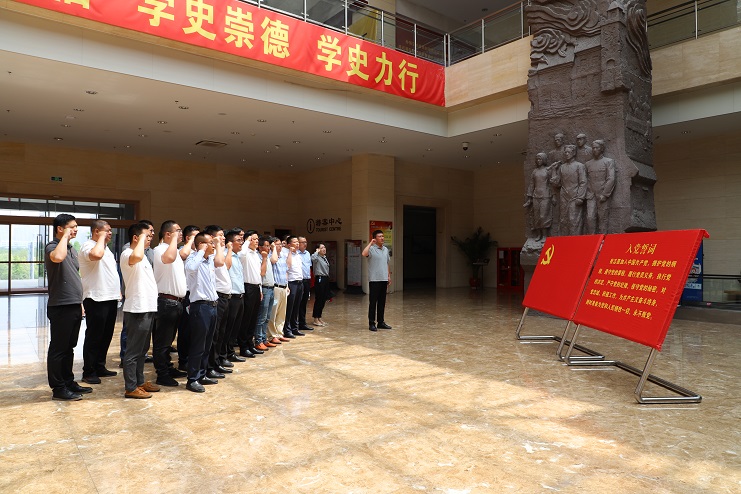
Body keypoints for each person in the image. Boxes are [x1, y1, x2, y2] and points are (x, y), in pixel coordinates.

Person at [45, 213, 92, 401]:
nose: (76, 229)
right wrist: (64, 236)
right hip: (61, 305)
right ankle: (58, 388)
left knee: (69, 347)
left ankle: (68, 381)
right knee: (59, 348)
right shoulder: (52, 246)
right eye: (72, 227)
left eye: (76, 226)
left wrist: (79, 303)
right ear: (60, 228)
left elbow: (73, 277)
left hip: (73, 304)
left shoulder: (71, 249)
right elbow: (57, 257)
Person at [119, 222, 160, 399]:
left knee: (143, 350)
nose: (150, 239)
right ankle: (130, 387)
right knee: (133, 351)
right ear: (136, 238)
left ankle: (139, 382)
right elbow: (135, 256)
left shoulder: (142, 256)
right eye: (146, 236)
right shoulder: (128, 253)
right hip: (137, 309)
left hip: (148, 307)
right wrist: (142, 239)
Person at [79, 219, 121, 385]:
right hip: (96, 298)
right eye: (107, 230)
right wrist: (101, 238)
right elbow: (96, 255)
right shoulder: (88, 246)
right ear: (96, 231)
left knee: (106, 335)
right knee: (94, 336)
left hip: (110, 297)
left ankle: (99, 366)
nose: (110, 233)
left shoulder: (106, 248)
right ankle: (88, 371)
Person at [184, 232, 224, 392]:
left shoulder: (209, 261)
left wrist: (214, 247)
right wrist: (200, 250)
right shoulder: (193, 259)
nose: (213, 245)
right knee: (198, 345)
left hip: (212, 305)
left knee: (207, 344)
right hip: (200, 307)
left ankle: (202, 374)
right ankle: (192, 379)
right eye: (210, 243)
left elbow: (220, 262)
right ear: (202, 244)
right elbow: (191, 268)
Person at [152, 220, 188, 387]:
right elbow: (169, 258)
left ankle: (167, 367)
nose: (180, 234)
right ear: (167, 234)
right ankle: (162, 374)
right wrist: (174, 239)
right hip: (166, 301)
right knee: (162, 342)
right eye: (177, 231)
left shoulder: (174, 250)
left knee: (169, 341)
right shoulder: (160, 249)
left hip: (176, 302)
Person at [549, 144, 587, 236]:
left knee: (574, 220)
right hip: (564, 196)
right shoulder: (562, 167)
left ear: (573, 153)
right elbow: (557, 183)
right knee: (563, 220)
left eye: (568, 152)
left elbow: (583, 182)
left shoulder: (579, 166)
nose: (566, 154)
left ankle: (575, 240)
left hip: (575, 196)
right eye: (565, 152)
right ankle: (564, 240)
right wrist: (554, 170)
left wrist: (580, 197)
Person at [238, 230, 263, 356]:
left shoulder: (256, 254)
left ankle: (250, 344)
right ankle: (243, 347)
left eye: (257, 239)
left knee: (253, 318)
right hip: (248, 288)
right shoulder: (245, 253)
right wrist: (247, 241)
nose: (257, 241)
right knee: (246, 319)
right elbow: (241, 253)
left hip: (256, 287)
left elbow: (258, 274)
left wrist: (261, 290)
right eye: (254, 239)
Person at [585, 139, 616, 234]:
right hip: (591, 195)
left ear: (601, 149)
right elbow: (585, 180)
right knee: (590, 217)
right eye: (593, 148)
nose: (594, 150)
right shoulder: (587, 164)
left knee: (603, 218)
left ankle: (602, 238)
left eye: (597, 148)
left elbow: (611, 178)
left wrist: (605, 194)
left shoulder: (608, 161)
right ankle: (592, 239)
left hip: (602, 194)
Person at [362, 230, 391, 332]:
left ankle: (381, 322)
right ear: (375, 238)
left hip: (384, 279)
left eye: (383, 236)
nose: (382, 238)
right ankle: (371, 323)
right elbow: (363, 253)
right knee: (373, 302)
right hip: (374, 279)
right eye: (380, 236)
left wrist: (388, 276)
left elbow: (387, 263)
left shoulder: (386, 249)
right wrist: (370, 243)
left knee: (382, 302)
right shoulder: (371, 249)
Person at [523, 152, 555, 241]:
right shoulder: (535, 171)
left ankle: (544, 235)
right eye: (537, 159)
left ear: (543, 160)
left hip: (545, 196)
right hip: (536, 196)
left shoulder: (548, 170)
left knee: (543, 216)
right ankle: (538, 234)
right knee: (536, 216)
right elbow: (531, 185)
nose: (538, 161)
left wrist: (554, 196)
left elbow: (552, 184)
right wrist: (529, 198)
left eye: (540, 159)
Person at [255, 235, 276, 350]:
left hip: (271, 288)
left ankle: (264, 338)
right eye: (266, 246)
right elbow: (261, 274)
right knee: (261, 317)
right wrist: (264, 258)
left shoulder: (267, 257)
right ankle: (258, 340)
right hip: (264, 288)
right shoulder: (258, 257)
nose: (268, 248)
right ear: (260, 247)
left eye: (269, 246)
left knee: (267, 316)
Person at [269, 237, 291, 343]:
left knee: (282, 313)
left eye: (280, 244)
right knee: (273, 312)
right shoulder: (271, 255)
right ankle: (272, 335)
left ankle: (279, 333)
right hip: (275, 287)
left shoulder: (283, 256)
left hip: (283, 287)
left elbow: (286, 270)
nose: (280, 246)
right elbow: (273, 260)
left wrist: (287, 285)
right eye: (277, 244)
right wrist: (273, 249)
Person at [284, 235, 305, 337]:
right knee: (290, 307)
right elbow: (287, 268)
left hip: (300, 282)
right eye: (295, 242)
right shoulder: (286, 254)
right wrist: (287, 284)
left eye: (298, 242)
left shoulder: (298, 255)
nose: (297, 244)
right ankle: (287, 329)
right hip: (291, 283)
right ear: (289, 245)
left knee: (297, 306)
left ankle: (294, 328)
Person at [311, 243, 330, 326]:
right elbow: (312, 258)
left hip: (325, 278)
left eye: (324, 247)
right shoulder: (316, 257)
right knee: (319, 299)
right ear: (318, 249)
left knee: (323, 299)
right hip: (320, 278)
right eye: (321, 248)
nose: (324, 249)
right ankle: (315, 318)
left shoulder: (324, 257)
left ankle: (319, 317)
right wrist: (316, 252)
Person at [297, 237, 314, 331]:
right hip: (299, 280)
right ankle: (295, 323)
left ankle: (302, 323)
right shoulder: (295, 254)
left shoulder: (307, 253)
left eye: (306, 242)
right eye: (302, 242)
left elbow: (309, 267)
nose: (305, 244)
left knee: (304, 302)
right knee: (297, 303)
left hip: (307, 280)